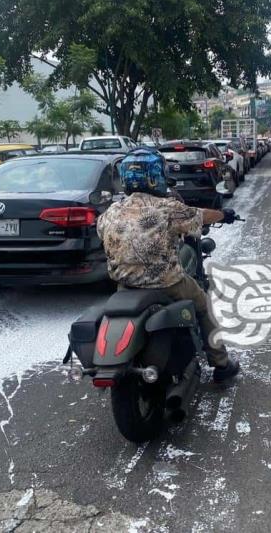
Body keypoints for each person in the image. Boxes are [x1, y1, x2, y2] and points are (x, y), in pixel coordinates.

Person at [97, 149, 241, 383]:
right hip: (165, 282)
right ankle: (221, 362)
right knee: (203, 304)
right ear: (156, 176)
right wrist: (223, 214)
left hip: (125, 285)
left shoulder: (111, 211)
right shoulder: (167, 208)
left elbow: (101, 233)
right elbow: (200, 216)